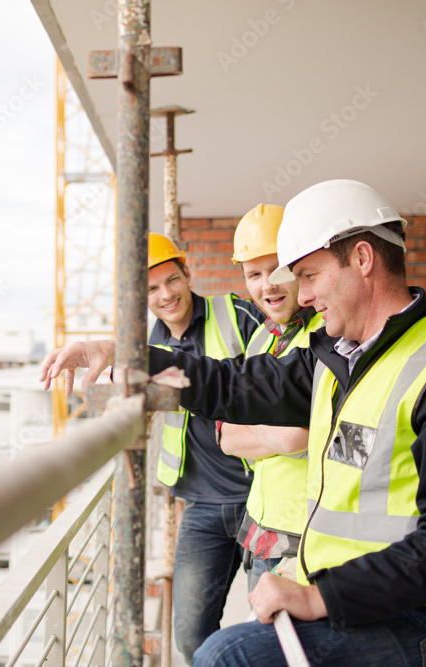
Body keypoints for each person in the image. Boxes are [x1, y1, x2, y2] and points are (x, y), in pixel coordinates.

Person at [40, 179, 426, 666]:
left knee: (226, 656)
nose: (303, 295)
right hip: (358, 600)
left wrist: (320, 598)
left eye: (309, 275)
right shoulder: (336, 362)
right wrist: (126, 353)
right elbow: (232, 384)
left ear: (361, 259)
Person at [145, 232, 263, 663]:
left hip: (262, 497)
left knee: (273, 628)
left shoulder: (237, 315)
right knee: (191, 636)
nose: (166, 295)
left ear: (188, 275)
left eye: (172, 280)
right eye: (152, 289)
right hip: (201, 505)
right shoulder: (149, 349)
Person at [217, 204, 323, 593]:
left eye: (277, 270)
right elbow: (226, 437)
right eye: (254, 275)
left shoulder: (327, 334)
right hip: (259, 531)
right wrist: (275, 435)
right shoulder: (262, 336)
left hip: (303, 541)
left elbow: (298, 437)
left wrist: (257, 428)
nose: (267, 286)